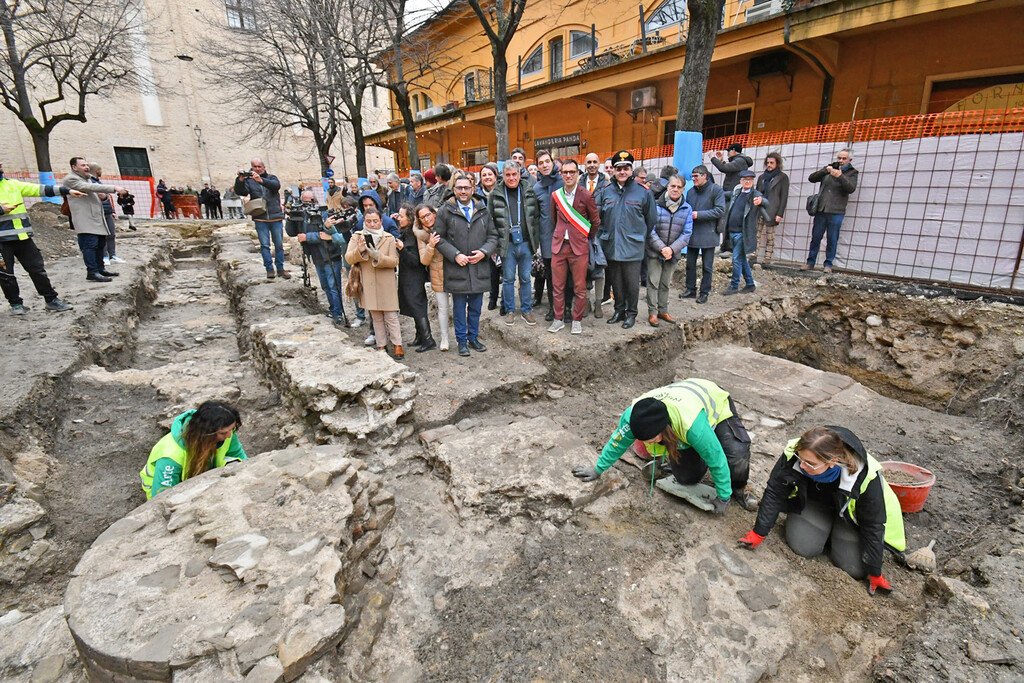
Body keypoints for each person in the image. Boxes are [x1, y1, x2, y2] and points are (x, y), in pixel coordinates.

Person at [738, 426, 906, 594]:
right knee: (803, 547)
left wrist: (875, 571)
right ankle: (825, 532)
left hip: (851, 519)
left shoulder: (865, 476)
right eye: (801, 459)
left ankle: (834, 533)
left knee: (854, 568)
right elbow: (775, 492)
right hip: (816, 503)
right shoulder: (797, 453)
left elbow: (873, 525)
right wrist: (759, 532)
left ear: (832, 462)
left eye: (810, 463)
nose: (802, 465)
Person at [571, 379, 759, 511]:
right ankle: (699, 452)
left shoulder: (691, 426)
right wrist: (598, 469)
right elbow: (617, 443)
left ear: (664, 428)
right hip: (683, 404)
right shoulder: (634, 416)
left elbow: (716, 458)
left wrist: (723, 496)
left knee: (736, 456)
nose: (647, 443)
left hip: (714, 402)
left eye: (651, 438)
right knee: (686, 478)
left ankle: (739, 487)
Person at [0, 159, 80, 313]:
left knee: (37, 270)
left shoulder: (12, 184)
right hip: (2, 242)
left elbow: (40, 189)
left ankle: (51, 300)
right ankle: (16, 304)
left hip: (23, 238)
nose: (1, 164)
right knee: (6, 275)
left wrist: (66, 191)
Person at [433, 172, 498, 357]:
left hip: (478, 267)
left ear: (473, 189)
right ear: (454, 190)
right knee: (459, 308)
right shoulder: (445, 211)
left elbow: (493, 236)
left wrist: (484, 252)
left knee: (476, 308)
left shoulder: (483, 210)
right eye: (459, 188)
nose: (463, 191)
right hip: (457, 268)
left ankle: (473, 337)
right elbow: (438, 238)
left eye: (466, 188)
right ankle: (461, 341)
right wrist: (455, 255)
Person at [597, 150, 656, 329]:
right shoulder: (606, 192)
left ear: (631, 170)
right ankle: (619, 310)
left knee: (631, 284)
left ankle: (631, 313)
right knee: (616, 282)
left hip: (633, 246)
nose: (622, 172)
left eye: (626, 168)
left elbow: (651, 219)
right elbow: (599, 218)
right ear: (614, 170)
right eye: (619, 168)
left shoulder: (643, 192)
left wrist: (639, 237)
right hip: (612, 245)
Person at [139, 401, 246, 499]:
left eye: (231, 430)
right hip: (167, 486)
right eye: (223, 433)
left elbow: (238, 455)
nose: (229, 435)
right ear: (205, 433)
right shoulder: (170, 456)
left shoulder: (226, 431)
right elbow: (161, 496)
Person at [548, 158, 600, 335]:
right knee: (557, 286)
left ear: (578, 174)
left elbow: (595, 221)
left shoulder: (586, 195)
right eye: (565, 172)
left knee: (579, 287)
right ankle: (558, 319)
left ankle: (577, 320)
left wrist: (584, 237)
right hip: (559, 246)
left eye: (572, 172)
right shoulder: (556, 196)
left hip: (579, 248)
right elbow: (554, 219)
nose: (569, 175)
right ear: (561, 174)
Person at [488, 161, 540, 326]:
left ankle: (526, 310)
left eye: (514, 174)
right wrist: (494, 245)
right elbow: (490, 220)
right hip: (506, 244)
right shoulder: (495, 193)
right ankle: (510, 310)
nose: (511, 178)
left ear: (519, 174)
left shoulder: (529, 190)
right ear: (503, 175)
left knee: (525, 278)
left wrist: (535, 241)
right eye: (508, 175)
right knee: (508, 279)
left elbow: (535, 217)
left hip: (525, 242)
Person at [346, 208, 403, 358]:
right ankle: (381, 344)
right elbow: (348, 258)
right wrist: (359, 251)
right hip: (368, 280)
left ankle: (397, 344)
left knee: (391, 315)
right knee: (376, 316)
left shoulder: (388, 238)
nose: (372, 224)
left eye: (375, 221)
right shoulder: (357, 236)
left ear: (381, 221)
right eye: (368, 221)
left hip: (386, 281)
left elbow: (394, 261)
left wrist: (378, 256)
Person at [63, 157, 127, 283]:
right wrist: (115, 188)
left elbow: (95, 193)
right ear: (74, 167)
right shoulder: (71, 179)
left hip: (96, 217)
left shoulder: (87, 178)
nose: (86, 167)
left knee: (100, 244)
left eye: (86, 165)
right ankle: (92, 272)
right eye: (83, 165)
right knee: (90, 246)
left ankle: (100, 269)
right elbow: (88, 187)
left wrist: (103, 197)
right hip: (85, 219)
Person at [293, 190, 348, 326]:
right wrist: (291, 217)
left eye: (310, 200)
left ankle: (338, 313)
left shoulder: (324, 213)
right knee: (325, 286)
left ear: (315, 200)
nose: (308, 204)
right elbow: (292, 232)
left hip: (330, 255)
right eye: (305, 201)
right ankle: (332, 309)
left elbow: (325, 234)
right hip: (316, 256)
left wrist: (307, 237)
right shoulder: (302, 215)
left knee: (334, 286)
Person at [646, 174, 692, 326]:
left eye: (679, 187)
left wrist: (671, 249)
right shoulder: (656, 206)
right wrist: (662, 248)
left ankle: (663, 310)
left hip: (673, 254)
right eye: (673, 186)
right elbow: (650, 230)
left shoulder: (687, 209)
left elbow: (687, 234)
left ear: (683, 189)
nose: (675, 189)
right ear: (667, 187)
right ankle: (652, 312)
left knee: (665, 283)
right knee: (653, 282)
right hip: (655, 252)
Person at [234, 158, 290, 280]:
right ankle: (269, 269)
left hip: (275, 217)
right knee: (264, 245)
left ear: (264, 167)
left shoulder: (271, 178)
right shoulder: (249, 181)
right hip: (260, 217)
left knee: (279, 245)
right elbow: (241, 192)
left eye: (259, 166)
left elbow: (276, 186)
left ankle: (280, 268)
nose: (257, 169)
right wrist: (240, 179)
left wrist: (261, 180)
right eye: (255, 166)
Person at [804, 149, 859, 273]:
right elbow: (811, 178)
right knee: (816, 237)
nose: (841, 161)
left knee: (832, 239)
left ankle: (828, 264)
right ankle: (810, 262)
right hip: (821, 209)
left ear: (850, 160)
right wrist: (826, 170)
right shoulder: (829, 168)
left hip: (836, 211)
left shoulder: (852, 172)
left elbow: (851, 188)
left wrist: (840, 176)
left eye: (844, 158)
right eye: (839, 158)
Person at [682, 165, 725, 304]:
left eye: (696, 176)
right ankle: (690, 289)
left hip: (709, 233)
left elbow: (720, 210)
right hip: (693, 233)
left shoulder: (716, 190)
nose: (693, 179)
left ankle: (704, 292)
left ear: (704, 176)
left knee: (707, 266)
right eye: (692, 176)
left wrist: (699, 215)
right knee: (690, 264)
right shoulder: (690, 192)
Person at [395, 203, 435, 352]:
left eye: (401, 216)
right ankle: (420, 336)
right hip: (407, 275)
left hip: (414, 276)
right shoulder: (406, 233)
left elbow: (415, 260)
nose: (399, 218)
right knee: (412, 305)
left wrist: (402, 249)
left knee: (417, 306)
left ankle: (428, 339)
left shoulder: (412, 236)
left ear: (410, 218)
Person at [722, 170, 770, 295]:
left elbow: (766, 202)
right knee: (742, 259)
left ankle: (734, 286)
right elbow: (724, 194)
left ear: (753, 181)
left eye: (750, 179)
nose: (747, 182)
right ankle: (750, 284)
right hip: (732, 231)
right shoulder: (737, 192)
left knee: (736, 260)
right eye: (745, 179)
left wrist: (761, 201)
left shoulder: (755, 194)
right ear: (741, 181)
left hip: (743, 233)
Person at [531, 150, 564, 321]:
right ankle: (553, 308)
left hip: (566, 238)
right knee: (551, 277)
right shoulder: (536, 188)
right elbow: (535, 216)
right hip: (546, 239)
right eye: (540, 163)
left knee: (567, 276)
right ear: (537, 167)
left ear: (553, 163)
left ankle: (567, 308)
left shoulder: (564, 182)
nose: (544, 165)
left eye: (547, 161)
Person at [415, 204, 451, 351]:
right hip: (437, 273)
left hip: (454, 271)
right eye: (422, 217)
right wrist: (430, 245)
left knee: (460, 305)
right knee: (443, 307)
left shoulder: (446, 223)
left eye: (428, 215)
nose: (426, 219)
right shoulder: (421, 236)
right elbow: (424, 260)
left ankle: (463, 336)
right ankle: (444, 338)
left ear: (434, 213)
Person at [711, 143, 754, 257]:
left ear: (734, 151)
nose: (728, 154)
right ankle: (725, 246)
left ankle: (730, 248)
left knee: (730, 222)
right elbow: (730, 169)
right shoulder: (739, 161)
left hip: (733, 196)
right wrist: (722, 161)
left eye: (728, 151)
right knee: (726, 221)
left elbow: (724, 169)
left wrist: (713, 158)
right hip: (730, 195)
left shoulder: (740, 161)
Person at [754, 152, 789, 265]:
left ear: (777, 163)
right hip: (759, 209)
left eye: (772, 163)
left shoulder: (782, 177)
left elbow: (784, 197)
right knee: (756, 234)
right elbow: (756, 192)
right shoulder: (762, 177)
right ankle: (753, 255)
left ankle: (767, 258)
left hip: (772, 210)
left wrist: (780, 214)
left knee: (770, 236)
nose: (769, 165)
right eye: (768, 162)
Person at [476, 163, 502, 311]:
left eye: (490, 174)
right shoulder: (477, 195)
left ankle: (505, 301)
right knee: (492, 271)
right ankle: (493, 298)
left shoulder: (502, 191)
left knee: (506, 270)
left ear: (495, 176)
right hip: (486, 237)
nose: (487, 177)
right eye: (484, 175)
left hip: (502, 235)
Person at [88, 163, 123, 266]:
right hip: (99, 213)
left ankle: (113, 256)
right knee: (102, 236)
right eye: (100, 169)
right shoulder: (90, 182)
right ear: (96, 170)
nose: (101, 172)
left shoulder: (99, 182)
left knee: (111, 234)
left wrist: (112, 211)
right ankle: (104, 256)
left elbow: (107, 199)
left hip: (108, 212)